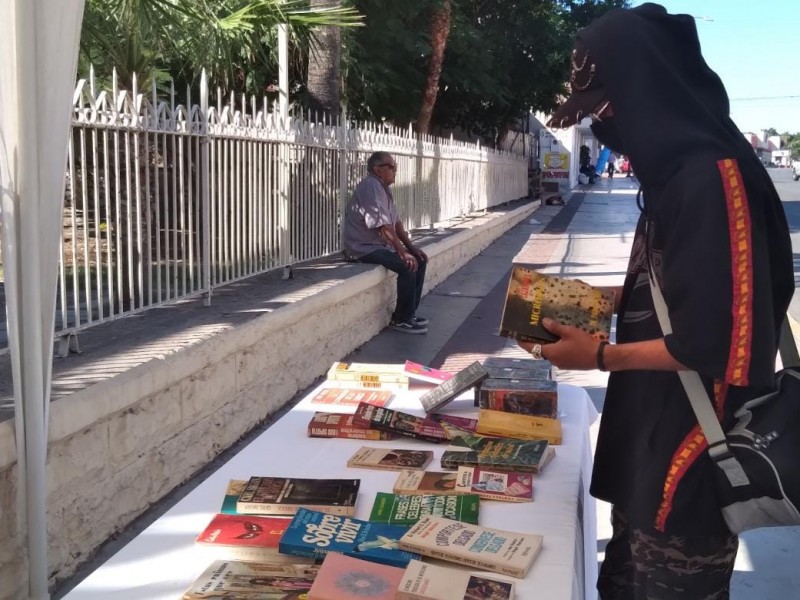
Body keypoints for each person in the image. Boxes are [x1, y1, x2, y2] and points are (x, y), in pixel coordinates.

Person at [536, 3, 794, 599]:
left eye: (609, 105)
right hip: (651, 435)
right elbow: (676, 290)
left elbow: (723, 342)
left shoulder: (712, 177)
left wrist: (599, 357)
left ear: (648, 91)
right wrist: (582, 307)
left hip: (695, 449)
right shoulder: (677, 175)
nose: (605, 123)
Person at [342, 151, 429, 334]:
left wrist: (412, 248)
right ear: (377, 169)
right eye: (391, 167)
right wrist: (402, 253)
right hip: (362, 248)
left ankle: (409, 314)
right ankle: (401, 320)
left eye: (395, 166)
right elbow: (383, 227)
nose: (395, 170)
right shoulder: (371, 187)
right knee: (407, 265)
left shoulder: (384, 189)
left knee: (419, 260)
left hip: (378, 246)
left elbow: (395, 223)